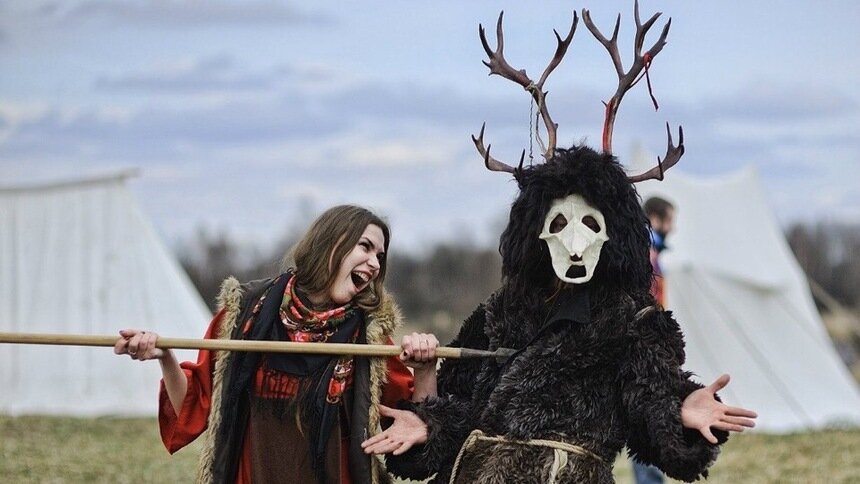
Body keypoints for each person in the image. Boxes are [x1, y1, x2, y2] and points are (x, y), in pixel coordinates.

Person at [115, 204, 439, 484]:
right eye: (365, 247)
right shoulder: (243, 315)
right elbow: (195, 403)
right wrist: (164, 356)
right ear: (330, 243)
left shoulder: (369, 338)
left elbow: (411, 431)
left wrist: (425, 370)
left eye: (380, 256)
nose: (375, 264)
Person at [630, 196, 676, 484]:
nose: (674, 227)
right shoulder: (646, 253)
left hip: (647, 346)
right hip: (644, 350)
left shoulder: (647, 250)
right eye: (671, 220)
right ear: (657, 219)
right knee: (648, 428)